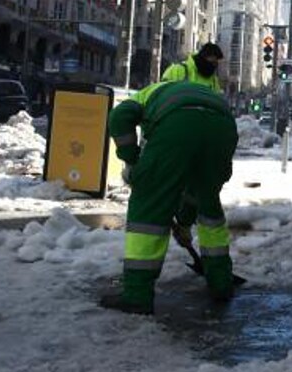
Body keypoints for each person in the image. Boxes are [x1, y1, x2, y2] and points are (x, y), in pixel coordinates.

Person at [100, 79, 238, 314]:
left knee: (149, 203)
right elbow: (192, 193)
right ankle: (221, 281)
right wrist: (184, 223)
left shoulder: (143, 95)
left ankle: (137, 294)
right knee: (208, 201)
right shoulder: (195, 91)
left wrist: (132, 159)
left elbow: (118, 117)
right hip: (223, 128)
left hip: (179, 123)